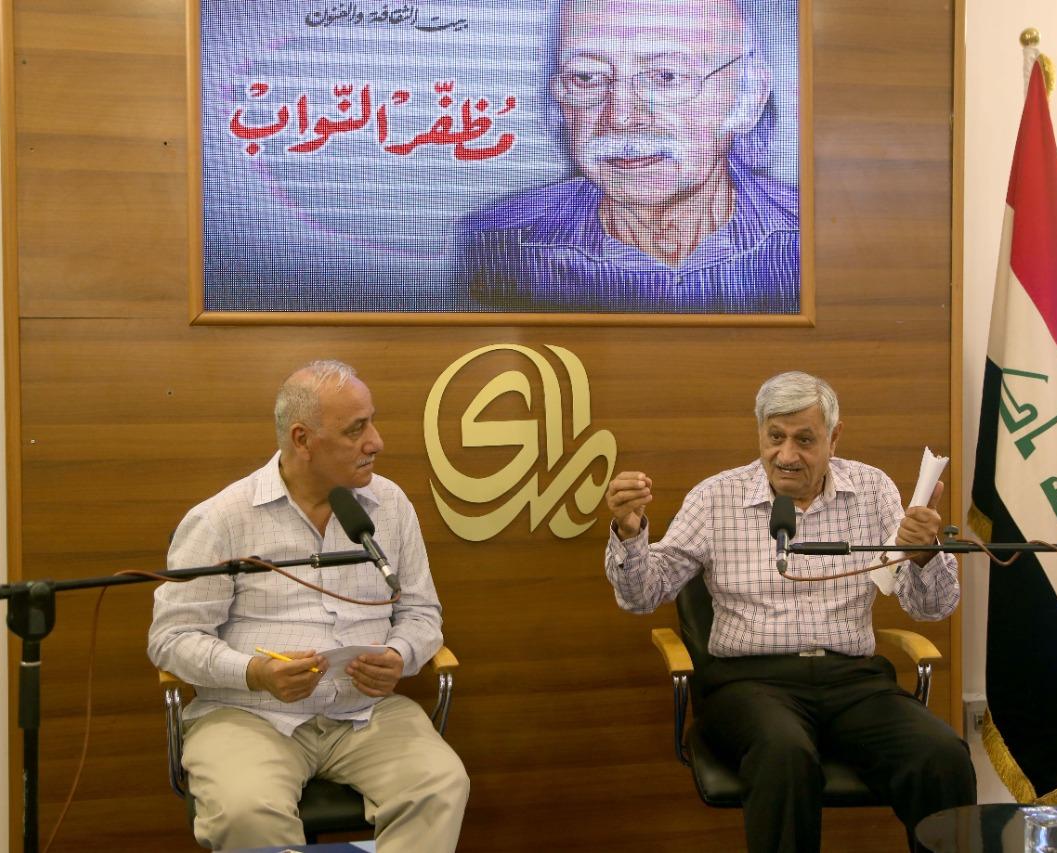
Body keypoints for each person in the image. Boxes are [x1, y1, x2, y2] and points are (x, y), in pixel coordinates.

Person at [603, 371, 975, 852]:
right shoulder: (716, 497)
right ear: (759, 432)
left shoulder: (872, 489)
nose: (786, 455)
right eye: (775, 437)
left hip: (852, 682)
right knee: (784, 752)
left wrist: (925, 555)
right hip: (749, 685)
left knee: (942, 755)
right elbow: (641, 596)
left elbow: (932, 607)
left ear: (834, 438)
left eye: (804, 440)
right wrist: (630, 532)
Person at [147, 359, 469, 851]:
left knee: (440, 785)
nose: (376, 442)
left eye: (372, 422)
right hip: (249, 714)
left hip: (365, 713)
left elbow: (422, 612)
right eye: (356, 429)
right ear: (303, 439)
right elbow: (172, 640)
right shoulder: (221, 519)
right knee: (246, 811)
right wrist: (255, 672)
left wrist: (400, 655)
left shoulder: (390, 505)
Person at [459, 0, 799, 314]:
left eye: (665, 77)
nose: (620, 117)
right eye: (586, 77)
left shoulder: (807, 242)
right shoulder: (494, 248)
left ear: (749, 97)